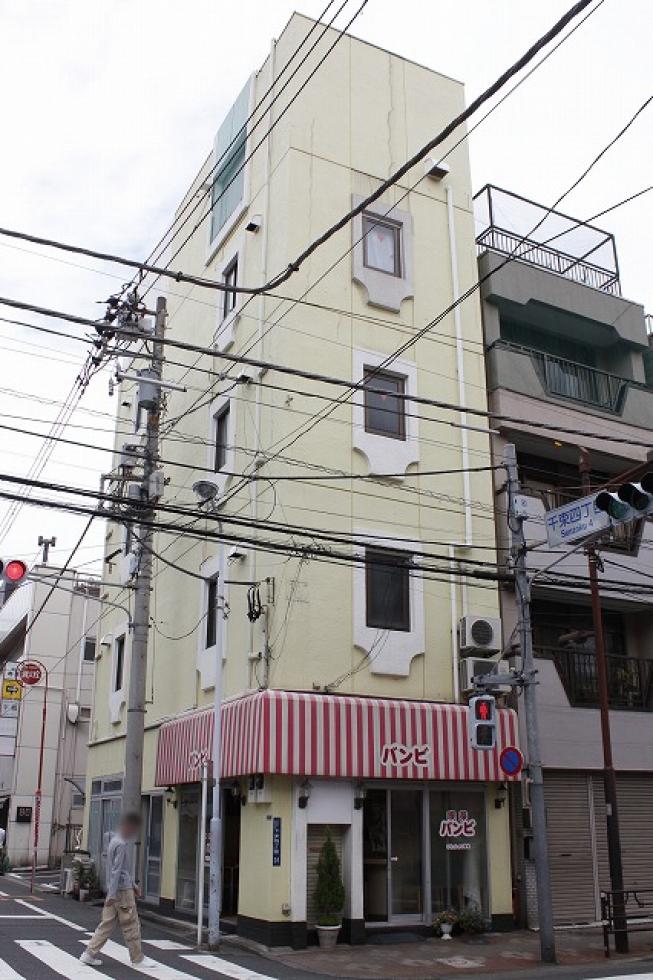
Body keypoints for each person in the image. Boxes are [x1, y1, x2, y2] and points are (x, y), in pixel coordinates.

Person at [80, 811, 157, 969]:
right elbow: (118, 870)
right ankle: (137, 959)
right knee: (131, 924)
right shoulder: (121, 843)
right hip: (121, 891)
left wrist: (114, 891)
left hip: (115, 889)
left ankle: (89, 953)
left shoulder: (114, 840)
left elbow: (116, 870)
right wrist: (116, 892)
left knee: (106, 924)